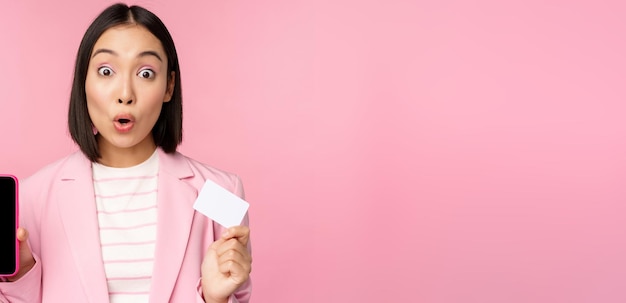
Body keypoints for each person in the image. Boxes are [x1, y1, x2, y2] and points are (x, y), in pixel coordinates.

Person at [0, 3, 252, 303]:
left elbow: (239, 292)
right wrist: (19, 277)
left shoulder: (220, 192)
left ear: (169, 86)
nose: (125, 93)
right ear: (84, 80)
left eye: (146, 73)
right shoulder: (32, 198)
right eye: (106, 71)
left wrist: (215, 298)